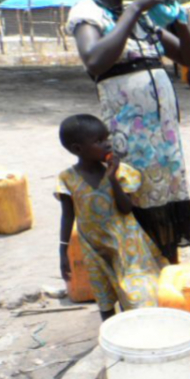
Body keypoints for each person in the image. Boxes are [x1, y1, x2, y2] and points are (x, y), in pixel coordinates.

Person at [67, 0, 190, 264]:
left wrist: (178, 18)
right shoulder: (88, 12)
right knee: (137, 200)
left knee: (165, 201)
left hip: (164, 138)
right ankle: (140, 278)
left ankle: (167, 273)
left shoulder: (144, 21)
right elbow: (94, 60)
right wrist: (135, 7)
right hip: (129, 136)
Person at [56, 115, 168, 320]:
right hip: (94, 247)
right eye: (99, 141)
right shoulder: (67, 179)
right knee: (104, 296)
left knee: (134, 293)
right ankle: (111, 332)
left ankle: (136, 328)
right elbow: (67, 215)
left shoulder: (121, 172)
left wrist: (113, 179)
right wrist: (63, 251)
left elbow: (126, 208)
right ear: (78, 149)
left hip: (126, 243)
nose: (108, 144)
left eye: (107, 138)